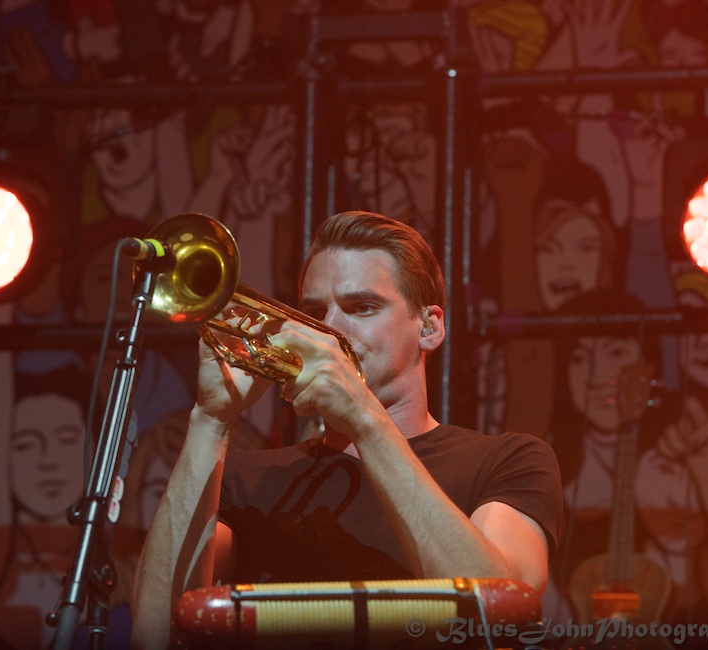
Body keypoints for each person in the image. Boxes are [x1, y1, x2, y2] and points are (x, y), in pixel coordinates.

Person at [130, 210, 563, 648]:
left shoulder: (507, 461)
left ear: (429, 327)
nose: (329, 328)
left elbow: (497, 612)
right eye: (314, 311)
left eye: (362, 307)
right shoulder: (243, 478)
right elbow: (155, 635)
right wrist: (210, 420)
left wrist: (364, 419)